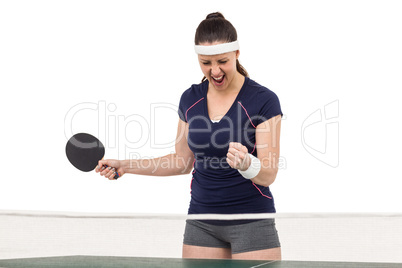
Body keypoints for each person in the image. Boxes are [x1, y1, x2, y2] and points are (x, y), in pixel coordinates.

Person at [96, 12, 282, 260]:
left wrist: (248, 164)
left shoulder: (264, 100)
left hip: (252, 221)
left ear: (237, 54)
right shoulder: (190, 99)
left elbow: (268, 175)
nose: (214, 71)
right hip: (201, 223)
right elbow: (182, 161)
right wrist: (126, 166)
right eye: (206, 63)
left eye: (222, 61)